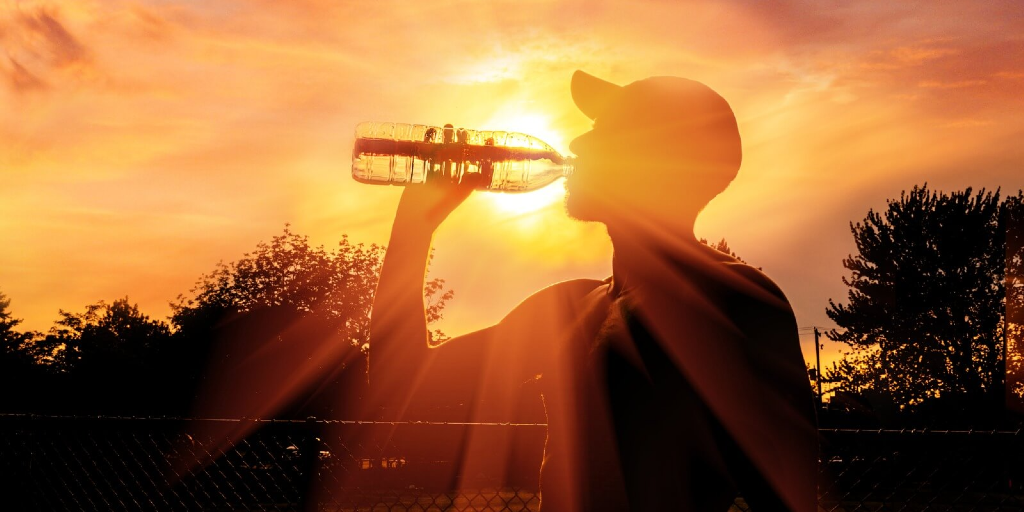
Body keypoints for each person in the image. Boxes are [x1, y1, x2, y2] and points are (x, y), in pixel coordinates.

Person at [367, 71, 818, 511]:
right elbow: (402, 382)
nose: (578, 144)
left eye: (606, 131)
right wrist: (415, 225)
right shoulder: (569, 307)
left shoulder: (732, 303)